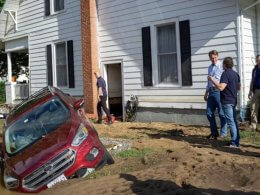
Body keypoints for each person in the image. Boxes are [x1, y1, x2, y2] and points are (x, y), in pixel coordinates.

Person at [208, 57, 241, 147]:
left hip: (227, 101)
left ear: (225, 65)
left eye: (223, 64)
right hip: (233, 100)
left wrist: (212, 80)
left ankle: (234, 142)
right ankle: (236, 141)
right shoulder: (236, 74)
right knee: (233, 121)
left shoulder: (225, 74)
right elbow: (239, 87)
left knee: (231, 122)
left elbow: (221, 87)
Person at [204, 50, 227, 139]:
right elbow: (208, 82)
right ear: (209, 58)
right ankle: (214, 133)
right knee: (209, 113)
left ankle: (223, 134)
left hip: (219, 91)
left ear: (217, 56)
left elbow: (226, 79)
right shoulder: (210, 67)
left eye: (215, 57)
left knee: (221, 113)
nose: (213, 59)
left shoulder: (222, 66)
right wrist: (206, 93)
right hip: (211, 91)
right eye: (211, 58)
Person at [248, 55, 260, 130]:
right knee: (253, 108)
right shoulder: (254, 70)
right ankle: (253, 125)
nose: (258, 61)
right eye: (257, 60)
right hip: (256, 91)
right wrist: (250, 91)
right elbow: (252, 80)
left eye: (259, 60)